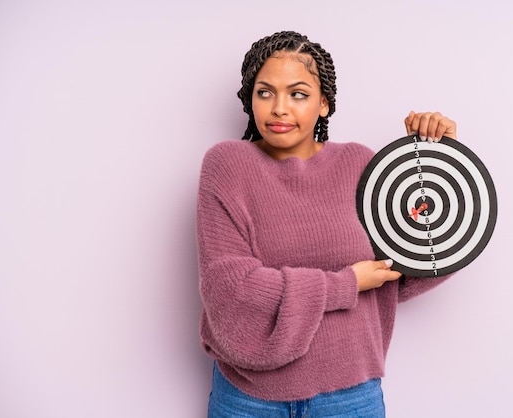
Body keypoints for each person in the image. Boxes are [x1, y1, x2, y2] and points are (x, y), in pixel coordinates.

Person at [196, 30, 457, 417]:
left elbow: (413, 267)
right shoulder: (227, 165)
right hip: (248, 399)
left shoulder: (360, 166)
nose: (279, 108)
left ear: (324, 104)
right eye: (265, 92)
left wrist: (439, 161)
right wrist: (345, 283)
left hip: (351, 397)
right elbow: (230, 290)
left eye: (298, 94)